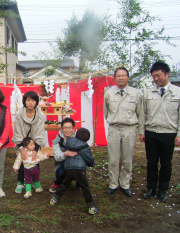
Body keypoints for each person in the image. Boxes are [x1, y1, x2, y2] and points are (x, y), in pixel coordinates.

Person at [139, 61, 180, 202]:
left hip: (169, 133)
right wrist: (141, 131)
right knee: (151, 162)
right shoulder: (148, 93)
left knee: (166, 164)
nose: (156, 79)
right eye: (153, 76)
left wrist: (179, 134)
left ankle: (163, 190)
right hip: (151, 133)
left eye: (158, 75)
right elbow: (143, 114)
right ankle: (151, 189)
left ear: (167, 74)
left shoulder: (177, 92)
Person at [103, 67, 141, 197]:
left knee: (127, 159)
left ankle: (125, 184)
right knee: (113, 159)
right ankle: (113, 184)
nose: (121, 78)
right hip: (114, 128)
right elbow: (106, 112)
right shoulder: (109, 93)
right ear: (114, 78)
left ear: (128, 77)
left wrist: (140, 130)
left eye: (123, 75)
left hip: (129, 129)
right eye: (118, 76)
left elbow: (140, 113)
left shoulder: (136, 93)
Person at [50, 128, 97, 215]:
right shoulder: (85, 147)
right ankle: (91, 206)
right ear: (87, 139)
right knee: (85, 187)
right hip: (79, 170)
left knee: (65, 184)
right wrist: (92, 163)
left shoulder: (69, 142)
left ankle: (54, 199)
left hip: (69, 168)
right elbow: (89, 160)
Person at [12, 91, 46, 193]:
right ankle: (20, 182)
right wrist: (22, 149)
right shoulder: (19, 115)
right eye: (28, 100)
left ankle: (36, 183)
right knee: (23, 162)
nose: (30, 103)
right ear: (24, 101)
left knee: (35, 163)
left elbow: (40, 133)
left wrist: (35, 149)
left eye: (33, 100)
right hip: (22, 144)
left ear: (37, 102)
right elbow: (17, 132)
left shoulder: (40, 115)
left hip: (35, 144)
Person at [49, 118, 77, 193]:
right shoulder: (57, 140)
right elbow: (57, 157)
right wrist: (65, 154)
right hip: (62, 164)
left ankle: (79, 183)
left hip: (75, 163)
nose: (68, 130)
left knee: (80, 169)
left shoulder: (78, 138)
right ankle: (58, 182)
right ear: (61, 129)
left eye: (70, 127)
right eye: (65, 127)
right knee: (60, 172)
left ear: (73, 128)